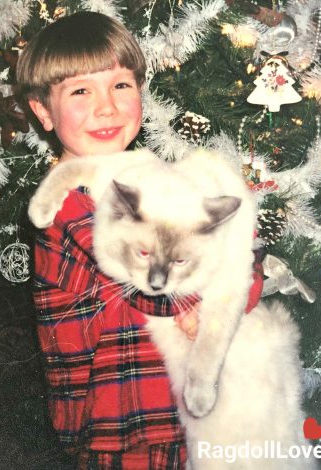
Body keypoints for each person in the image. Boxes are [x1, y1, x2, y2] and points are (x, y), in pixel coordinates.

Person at [16, 11, 263, 469]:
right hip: (120, 419)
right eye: (81, 91)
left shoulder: (138, 185)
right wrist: (244, 280)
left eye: (121, 86)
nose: (106, 107)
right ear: (44, 113)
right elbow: (163, 295)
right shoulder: (68, 210)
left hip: (156, 413)